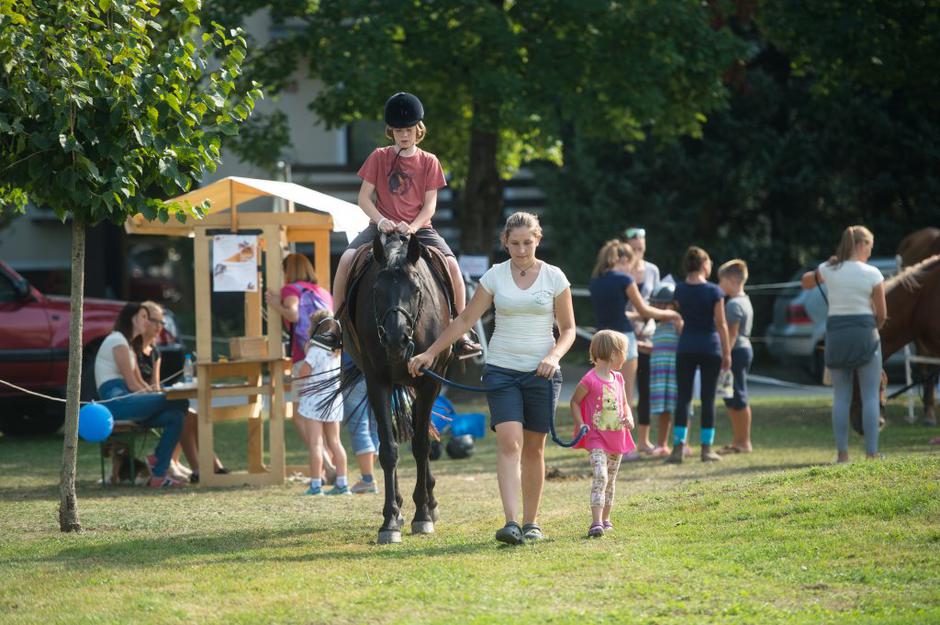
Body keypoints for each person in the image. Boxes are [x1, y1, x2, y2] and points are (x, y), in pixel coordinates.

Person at [408, 211, 576, 545]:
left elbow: (569, 329)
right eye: (514, 243)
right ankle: (511, 522)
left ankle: (532, 522)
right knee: (509, 440)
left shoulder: (555, 277)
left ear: (537, 239)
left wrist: (553, 356)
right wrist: (430, 352)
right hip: (501, 369)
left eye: (528, 242)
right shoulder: (495, 276)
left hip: (541, 373)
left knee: (533, 448)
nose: (521, 249)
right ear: (505, 243)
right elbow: (466, 318)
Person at [314, 92, 480, 358]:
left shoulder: (429, 161)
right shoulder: (378, 157)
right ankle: (336, 324)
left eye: (410, 129)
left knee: (451, 265)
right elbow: (363, 197)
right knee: (346, 259)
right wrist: (381, 221)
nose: (405, 135)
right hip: (381, 227)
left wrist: (413, 227)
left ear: (419, 129)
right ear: (391, 131)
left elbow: (430, 206)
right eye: (399, 130)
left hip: (420, 229)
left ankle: (460, 330)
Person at [588, 239, 682, 460]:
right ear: (622, 260)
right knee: (624, 396)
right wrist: (672, 314)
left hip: (601, 340)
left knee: (605, 397)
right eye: (630, 262)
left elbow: (619, 312)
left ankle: (606, 444)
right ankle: (625, 447)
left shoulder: (595, 281)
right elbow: (644, 309)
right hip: (623, 340)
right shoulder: (624, 279)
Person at [801, 225, 886, 462]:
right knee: (870, 396)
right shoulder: (872, 273)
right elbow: (882, 314)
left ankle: (842, 454)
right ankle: (871, 452)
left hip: (836, 334)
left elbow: (805, 282)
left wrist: (827, 266)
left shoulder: (829, 268)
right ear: (861, 245)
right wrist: (873, 328)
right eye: (869, 246)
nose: (870, 251)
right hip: (864, 332)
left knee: (841, 396)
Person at [94, 302, 187, 488]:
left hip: (130, 400)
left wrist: (157, 393)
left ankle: (158, 474)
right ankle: (157, 461)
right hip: (116, 401)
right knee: (179, 401)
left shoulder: (128, 346)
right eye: (143, 317)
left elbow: (139, 384)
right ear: (131, 319)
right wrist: (160, 398)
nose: (147, 322)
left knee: (176, 415)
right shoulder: (117, 340)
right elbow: (130, 383)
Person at [135, 301, 227, 484]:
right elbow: (136, 385)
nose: (160, 327)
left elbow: (155, 385)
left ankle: (205, 467)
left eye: (162, 322)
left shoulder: (154, 353)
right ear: (142, 320)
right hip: (137, 405)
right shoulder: (131, 349)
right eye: (156, 321)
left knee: (191, 414)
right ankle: (200, 468)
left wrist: (160, 392)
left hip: (151, 401)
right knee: (184, 412)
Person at [666, 246, 731, 464]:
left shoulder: (679, 290)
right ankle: (706, 449)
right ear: (704, 265)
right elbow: (721, 324)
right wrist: (727, 352)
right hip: (710, 347)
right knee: (708, 399)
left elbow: (680, 317)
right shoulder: (714, 291)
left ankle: (677, 449)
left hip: (686, 347)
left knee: (683, 398)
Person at [569, 330, 636, 538]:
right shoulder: (589, 380)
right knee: (601, 475)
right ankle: (596, 522)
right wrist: (580, 424)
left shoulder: (618, 379)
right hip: (596, 438)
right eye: (624, 352)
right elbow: (574, 402)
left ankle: (606, 519)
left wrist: (629, 418)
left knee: (611, 480)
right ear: (614, 354)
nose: (626, 357)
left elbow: (624, 404)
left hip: (617, 436)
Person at [265, 253, 333, 451]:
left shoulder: (290, 290)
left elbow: (293, 314)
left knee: (299, 415)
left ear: (288, 270)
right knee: (323, 414)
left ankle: (326, 463)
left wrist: (275, 304)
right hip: (327, 359)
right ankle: (331, 463)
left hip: (303, 358)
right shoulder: (322, 292)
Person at [297, 310, 349, 495]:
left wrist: (305, 354)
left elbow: (304, 372)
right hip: (333, 400)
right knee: (336, 442)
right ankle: (342, 483)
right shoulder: (336, 350)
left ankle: (316, 485)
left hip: (314, 402)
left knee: (316, 444)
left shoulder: (315, 349)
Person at [621, 227, 661, 455]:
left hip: (647, 336)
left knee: (645, 390)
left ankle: (644, 440)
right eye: (634, 248)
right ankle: (625, 441)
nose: (638, 252)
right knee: (624, 392)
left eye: (641, 248)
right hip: (625, 336)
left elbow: (655, 301)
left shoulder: (653, 270)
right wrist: (640, 314)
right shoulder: (621, 271)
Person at [717, 260, 754, 454]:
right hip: (742, 349)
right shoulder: (744, 300)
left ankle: (743, 442)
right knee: (731, 396)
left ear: (731, 280)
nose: (719, 285)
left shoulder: (733, 305)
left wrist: (725, 354)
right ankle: (738, 440)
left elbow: (731, 333)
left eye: (721, 280)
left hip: (736, 352)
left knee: (738, 396)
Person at [648, 283, 680, 457]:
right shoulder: (657, 327)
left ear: (673, 305)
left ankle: (682, 443)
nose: (658, 308)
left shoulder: (678, 323)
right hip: (659, 376)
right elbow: (657, 348)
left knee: (680, 409)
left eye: (662, 304)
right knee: (663, 410)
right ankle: (662, 444)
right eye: (656, 304)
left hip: (674, 373)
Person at [342, 355, 380, 494]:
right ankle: (368, 476)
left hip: (354, 376)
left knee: (359, 428)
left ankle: (367, 479)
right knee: (374, 427)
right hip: (379, 377)